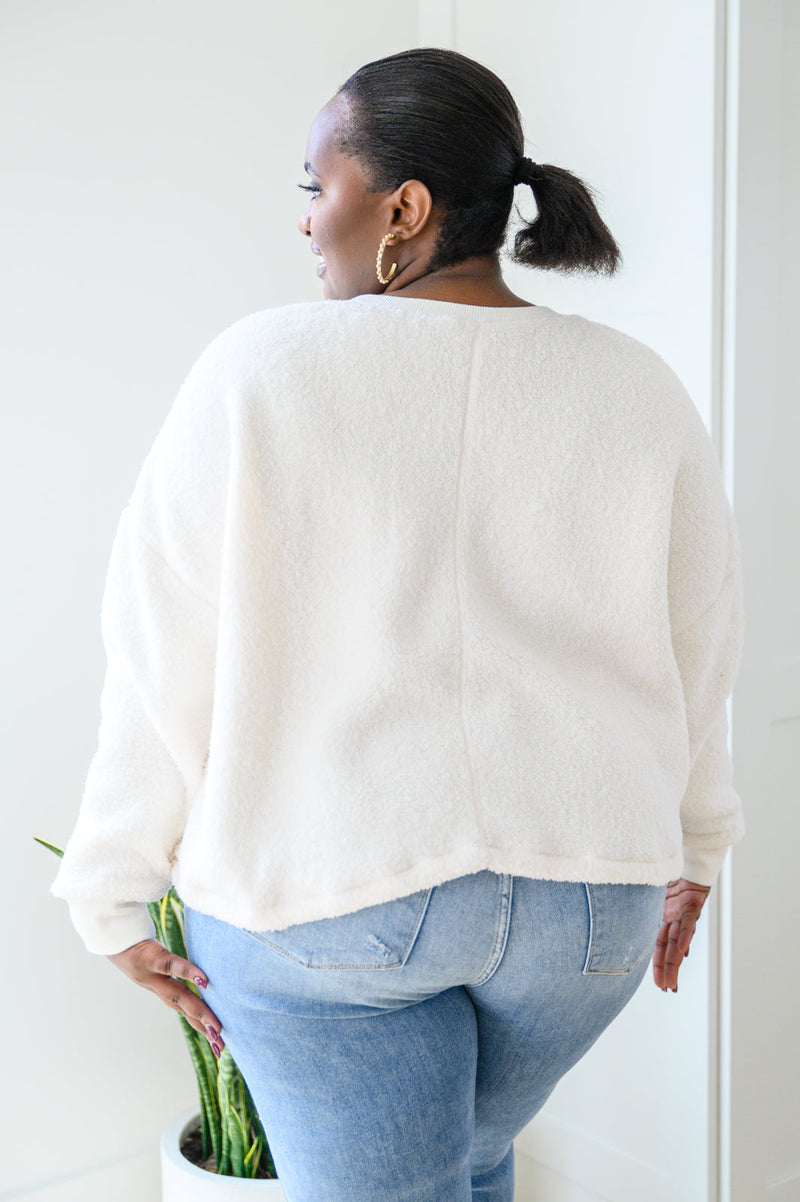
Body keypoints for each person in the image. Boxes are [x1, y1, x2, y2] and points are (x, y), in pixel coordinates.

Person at [51, 47, 745, 1202]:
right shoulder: (638, 385)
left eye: (315, 185)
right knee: (465, 1164)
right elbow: (699, 644)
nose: (305, 219)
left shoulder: (259, 367)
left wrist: (108, 891)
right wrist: (695, 848)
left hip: (329, 897)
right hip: (589, 910)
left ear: (403, 209)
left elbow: (161, 647)